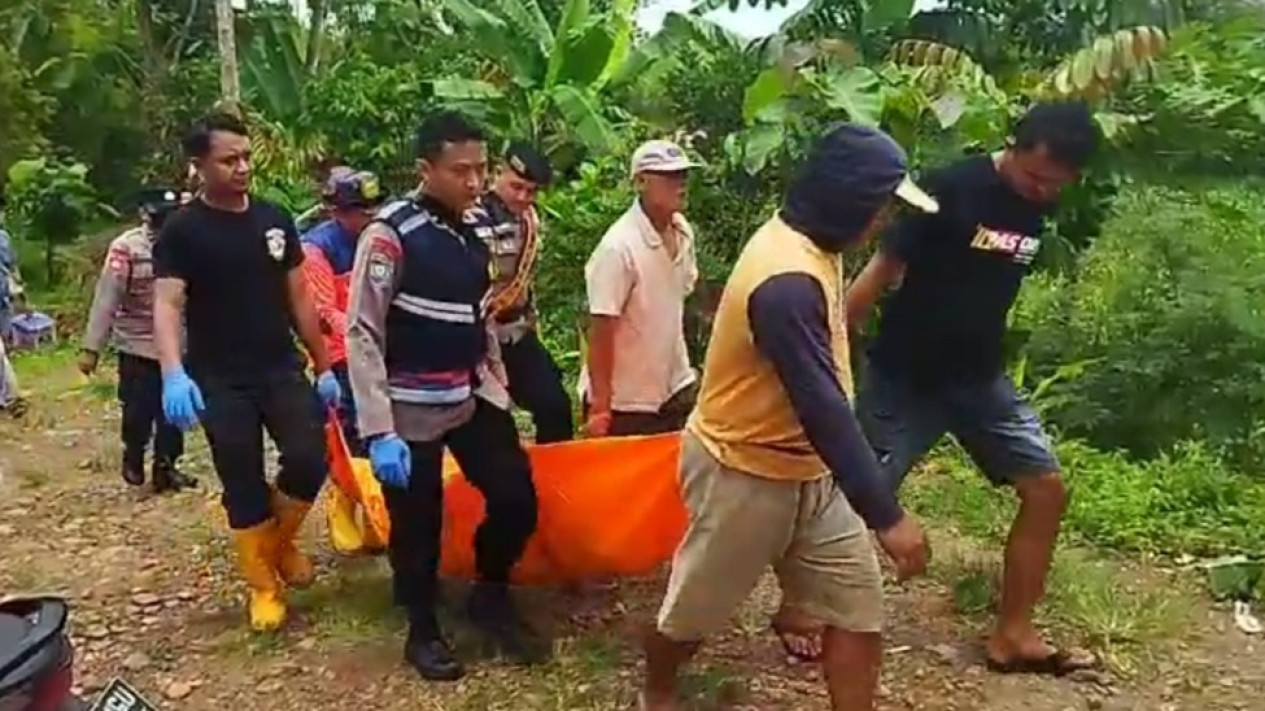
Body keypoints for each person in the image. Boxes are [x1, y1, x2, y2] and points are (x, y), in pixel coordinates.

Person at [639, 124, 934, 711]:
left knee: (858, 610)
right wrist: (886, 514)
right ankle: (658, 691)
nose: (881, 220)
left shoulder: (816, 247)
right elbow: (821, 406)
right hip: (742, 472)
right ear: (849, 200)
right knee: (693, 616)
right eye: (878, 207)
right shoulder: (785, 283)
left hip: (810, 474)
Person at [846, 101, 1101, 675]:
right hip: (904, 377)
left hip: (979, 380)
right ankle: (803, 610)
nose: (1041, 192)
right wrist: (829, 348)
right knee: (852, 501)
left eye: (1055, 185)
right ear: (1013, 146)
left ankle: (1013, 634)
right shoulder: (950, 188)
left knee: (1046, 489)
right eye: (1035, 177)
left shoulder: (1038, 206)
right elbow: (882, 270)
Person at [346, 110, 546, 682]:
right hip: (408, 408)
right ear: (425, 169)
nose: (476, 182)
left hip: (466, 392)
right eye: (461, 170)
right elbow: (362, 329)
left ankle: (490, 593)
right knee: (418, 526)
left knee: (516, 497)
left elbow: (479, 309)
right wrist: (380, 429)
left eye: (482, 169)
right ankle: (422, 630)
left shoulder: (473, 227)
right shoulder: (390, 235)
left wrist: (493, 379)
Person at [152, 111, 342, 632]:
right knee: (241, 476)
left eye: (246, 157)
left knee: (308, 456)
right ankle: (262, 584)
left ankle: (278, 545)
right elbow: (167, 304)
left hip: (279, 365)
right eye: (228, 160)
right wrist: (172, 371)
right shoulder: (182, 231)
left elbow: (299, 293)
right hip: (218, 375)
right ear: (199, 166)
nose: (241, 168)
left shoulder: (274, 219)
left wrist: (322, 362)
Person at [580, 139, 700, 438]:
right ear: (641, 181)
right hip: (626, 399)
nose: (680, 184)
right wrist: (600, 407)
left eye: (683, 176)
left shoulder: (683, 231)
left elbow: (677, 298)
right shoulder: (618, 248)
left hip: (673, 385)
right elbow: (602, 329)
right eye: (669, 177)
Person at [80, 188, 195, 493]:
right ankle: (133, 454)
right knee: (138, 411)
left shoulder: (187, 244)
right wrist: (91, 347)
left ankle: (166, 466)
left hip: (176, 344)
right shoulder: (127, 248)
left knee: (173, 412)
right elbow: (107, 298)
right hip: (137, 344)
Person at [476, 143, 574, 444]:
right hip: (478, 338)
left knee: (555, 406)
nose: (522, 197)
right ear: (496, 174)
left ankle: (555, 479)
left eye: (530, 191)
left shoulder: (529, 220)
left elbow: (526, 279)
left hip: (517, 333)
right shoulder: (470, 217)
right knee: (491, 426)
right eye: (516, 186)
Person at [301, 168, 386, 456]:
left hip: (380, 349)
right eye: (363, 212)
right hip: (342, 356)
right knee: (351, 437)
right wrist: (364, 337)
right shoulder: (316, 250)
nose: (372, 217)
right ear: (339, 213)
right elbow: (324, 311)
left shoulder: (382, 238)